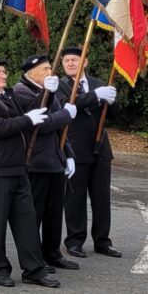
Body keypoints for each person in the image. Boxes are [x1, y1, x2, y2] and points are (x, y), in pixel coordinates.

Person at [0, 57, 58, 288]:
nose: (3, 76)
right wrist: (26, 120)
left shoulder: (7, 95)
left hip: (17, 168)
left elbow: (32, 111)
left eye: (4, 72)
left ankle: (34, 270)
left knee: (26, 220)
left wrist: (48, 93)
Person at [12, 54, 78, 272]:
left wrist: (68, 154)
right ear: (31, 73)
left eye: (50, 68)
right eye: (44, 69)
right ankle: (35, 258)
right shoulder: (21, 91)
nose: (50, 73)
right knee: (35, 214)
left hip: (54, 159)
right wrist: (66, 114)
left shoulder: (51, 90)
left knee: (54, 212)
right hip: (36, 162)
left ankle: (52, 253)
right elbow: (42, 124)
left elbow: (60, 129)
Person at [55, 46, 121, 259]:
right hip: (75, 149)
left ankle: (103, 241)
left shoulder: (98, 84)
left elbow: (114, 116)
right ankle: (74, 241)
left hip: (101, 149)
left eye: (75, 60)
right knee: (74, 198)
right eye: (67, 61)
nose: (71, 64)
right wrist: (95, 96)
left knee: (102, 198)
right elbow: (68, 105)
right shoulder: (60, 86)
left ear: (85, 62)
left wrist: (112, 102)